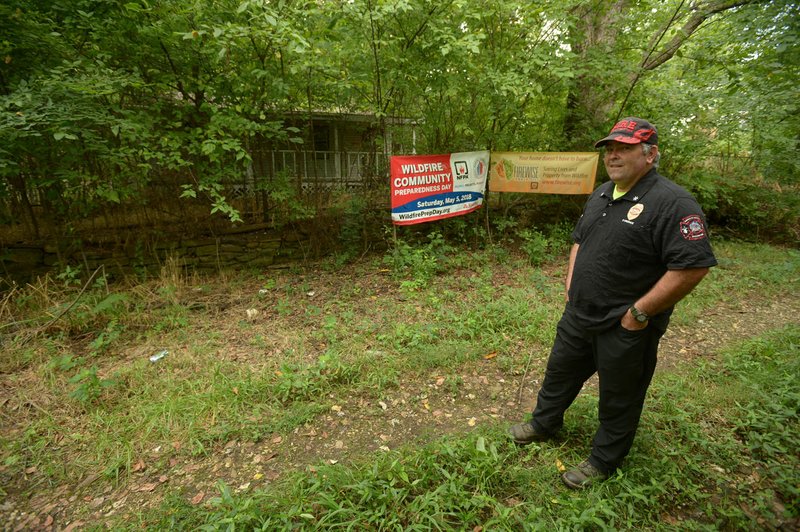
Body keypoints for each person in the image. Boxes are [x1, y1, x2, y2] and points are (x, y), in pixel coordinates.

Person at [509, 117, 718, 489]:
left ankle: (604, 460)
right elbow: (580, 239)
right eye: (610, 148)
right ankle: (544, 424)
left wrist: (639, 313)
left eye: (625, 148)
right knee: (559, 373)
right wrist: (573, 280)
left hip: (625, 323)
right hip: (580, 313)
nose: (614, 155)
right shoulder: (603, 192)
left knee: (620, 395)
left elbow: (693, 265)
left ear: (651, 154)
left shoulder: (673, 202)